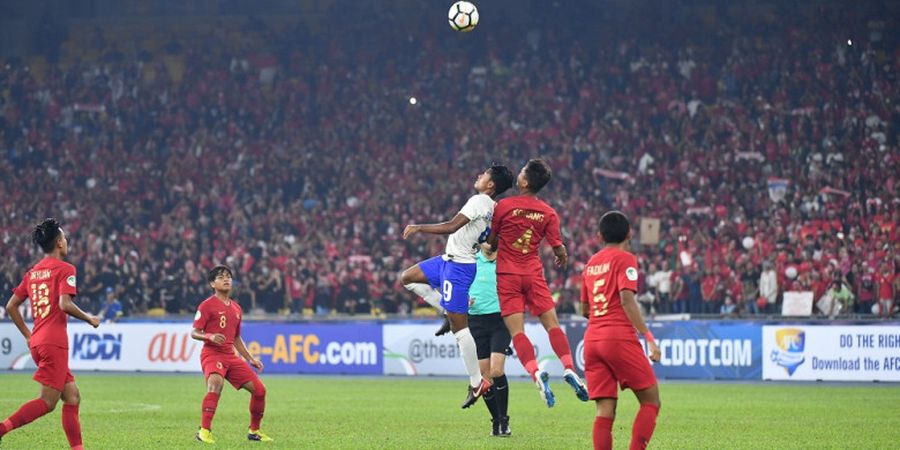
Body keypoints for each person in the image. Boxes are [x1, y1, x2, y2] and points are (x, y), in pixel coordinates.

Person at [400, 164, 515, 408]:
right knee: (407, 277)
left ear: (491, 185)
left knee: (459, 328)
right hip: (448, 260)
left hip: (458, 267)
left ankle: (476, 383)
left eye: (483, 174)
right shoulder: (492, 209)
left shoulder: (479, 201)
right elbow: (489, 239)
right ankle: (446, 308)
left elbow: (452, 226)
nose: (479, 175)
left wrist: (419, 227)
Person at [487, 158, 588, 407]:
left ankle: (535, 373)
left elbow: (492, 240)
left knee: (517, 331)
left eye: (521, 172)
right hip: (533, 274)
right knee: (553, 326)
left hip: (508, 276)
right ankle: (569, 368)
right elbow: (558, 247)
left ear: (524, 181)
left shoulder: (503, 206)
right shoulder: (548, 212)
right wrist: (561, 256)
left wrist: (491, 245)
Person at [1, 218, 100, 450]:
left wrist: (28, 335)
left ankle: (78, 448)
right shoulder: (66, 269)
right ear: (58, 243)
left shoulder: (33, 272)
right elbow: (65, 304)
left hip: (38, 341)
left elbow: (10, 306)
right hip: (54, 343)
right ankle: (2, 428)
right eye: (64, 238)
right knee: (47, 402)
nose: (66, 242)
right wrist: (89, 319)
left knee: (73, 396)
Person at [580, 211, 661, 450]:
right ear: (629, 233)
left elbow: (586, 308)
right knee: (651, 401)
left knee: (605, 410)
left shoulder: (591, 263)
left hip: (592, 340)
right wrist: (649, 338)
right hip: (617, 337)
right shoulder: (626, 259)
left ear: (599, 236)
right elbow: (627, 300)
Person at [192, 265, 272, 444]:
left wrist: (251, 359)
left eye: (228, 276)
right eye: (221, 277)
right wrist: (209, 336)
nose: (226, 279)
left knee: (260, 390)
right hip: (212, 354)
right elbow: (194, 332)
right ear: (213, 283)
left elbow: (236, 337)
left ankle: (254, 431)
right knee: (216, 385)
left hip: (230, 356)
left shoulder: (236, 308)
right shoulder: (206, 306)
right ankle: (204, 431)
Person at [467, 244, 512, 437]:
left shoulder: (506, 261)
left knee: (496, 370)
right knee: (485, 378)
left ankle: (504, 420)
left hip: (500, 320)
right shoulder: (470, 261)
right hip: (476, 321)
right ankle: (495, 421)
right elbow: (459, 284)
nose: (489, 243)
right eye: (485, 240)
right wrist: (464, 298)